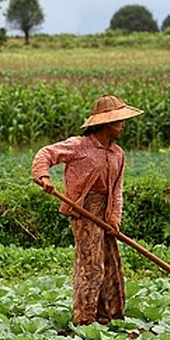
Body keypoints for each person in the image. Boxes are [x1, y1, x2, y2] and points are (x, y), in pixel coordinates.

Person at [31, 95, 142, 325]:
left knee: (111, 265)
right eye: (119, 120)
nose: (123, 125)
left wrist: (114, 218)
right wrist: (43, 177)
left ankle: (109, 315)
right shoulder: (79, 146)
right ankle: (85, 319)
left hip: (105, 211)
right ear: (105, 123)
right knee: (91, 264)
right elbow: (45, 154)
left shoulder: (117, 153)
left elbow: (117, 189)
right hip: (83, 210)